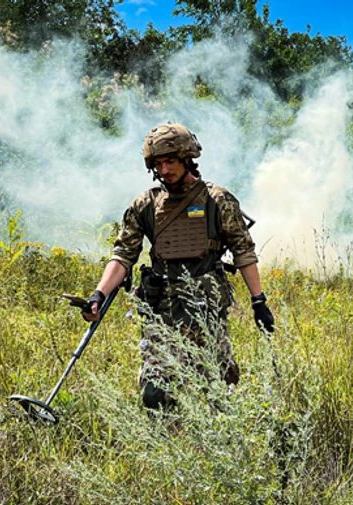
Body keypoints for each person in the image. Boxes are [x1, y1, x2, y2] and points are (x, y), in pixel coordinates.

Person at [81, 122, 274, 411]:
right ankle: (168, 445)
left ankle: (217, 448)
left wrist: (258, 301)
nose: (165, 170)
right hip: (161, 310)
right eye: (158, 164)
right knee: (154, 394)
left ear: (187, 159)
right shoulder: (145, 205)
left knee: (219, 391)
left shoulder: (218, 200)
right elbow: (123, 255)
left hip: (206, 308)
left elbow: (243, 251)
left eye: (170, 161)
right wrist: (99, 294)